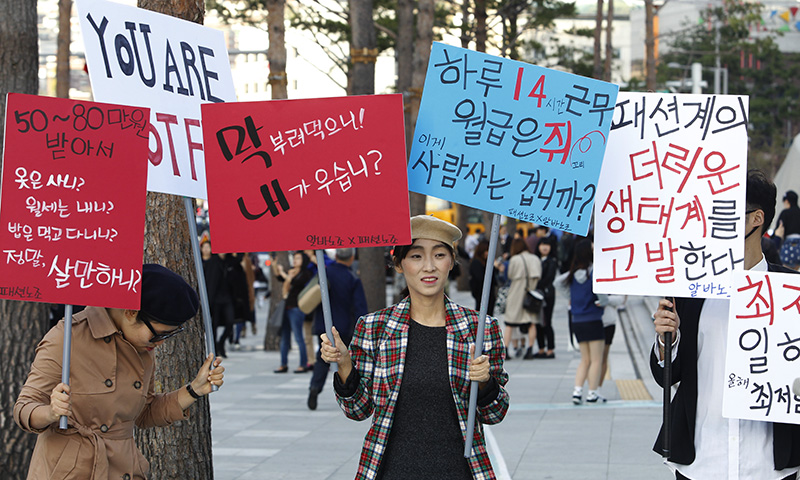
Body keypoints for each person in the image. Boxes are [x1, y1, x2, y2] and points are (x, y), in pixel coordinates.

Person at [320, 215, 509, 479]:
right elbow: (358, 410)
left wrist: (486, 382)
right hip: (391, 471)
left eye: (440, 254)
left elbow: (495, 413)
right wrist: (344, 365)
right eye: (416, 256)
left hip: (460, 471)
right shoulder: (374, 327)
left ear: (452, 261)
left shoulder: (480, 329)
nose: (429, 266)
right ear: (398, 263)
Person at [652, 170, 800, 479]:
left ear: (756, 218)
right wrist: (668, 338)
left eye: (726, 212)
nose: (714, 220)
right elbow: (668, 375)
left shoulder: (790, 290)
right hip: (702, 458)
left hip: (768, 462)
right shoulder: (690, 289)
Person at [14, 264, 225, 480]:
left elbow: (145, 413)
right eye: (157, 335)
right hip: (68, 471)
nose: (160, 344)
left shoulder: (142, 348)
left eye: (167, 336)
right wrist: (50, 412)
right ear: (131, 312)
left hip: (122, 469)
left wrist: (194, 390)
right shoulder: (66, 337)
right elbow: (23, 408)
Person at [307, 248, 368, 410]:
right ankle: (348, 392)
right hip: (344, 326)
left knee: (322, 358)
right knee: (345, 359)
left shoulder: (324, 273)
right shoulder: (352, 277)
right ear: (352, 258)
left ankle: (315, 387)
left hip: (323, 325)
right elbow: (360, 306)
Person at [561, 238, 605, 404]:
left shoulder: (572, 274)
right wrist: (603, 302)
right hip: (593, 319)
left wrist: (572, 298)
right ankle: (592, 393)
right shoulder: (594, 272)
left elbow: (557, 282)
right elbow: (604, 299)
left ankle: (577, 391)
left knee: (584, 359)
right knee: (596, 360)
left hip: (577, 320)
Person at [274, 251, 314, 373]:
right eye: (294, 258)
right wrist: (277, 267)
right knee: (285, 337)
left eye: (298, 258)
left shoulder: (305, 273)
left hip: (297, 308)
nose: (295, 261)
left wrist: (286, 275)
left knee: (298, 337)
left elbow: (296, 283)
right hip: (286, 307)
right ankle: (283, 364)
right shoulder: (291, 272)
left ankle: (303, 364)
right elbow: (280, 278)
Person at [504, 237, 542, 360]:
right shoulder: (535, 259)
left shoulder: (515, 259)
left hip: (516, 294)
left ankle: (506, 350)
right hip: (531, 295)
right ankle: (530, 350)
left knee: (510, 323)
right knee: (531, 323)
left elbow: (510, 275)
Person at [533, 236, 558, 359]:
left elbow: (549, 278)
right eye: (542, 244)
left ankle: (550, 349)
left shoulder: (552, 261)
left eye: (547, 245)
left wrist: (536, 284)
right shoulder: (535, 259)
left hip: (547, 295)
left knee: (547, 321)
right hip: (536, 295)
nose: (544, 247)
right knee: (537, 322)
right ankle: (541, 348)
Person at [469, 240, 502, 317]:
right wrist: (493, 266)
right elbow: (481, 278)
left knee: (489, 317)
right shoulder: (476, 262)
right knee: (481, 317)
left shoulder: (486, 261)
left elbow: (493, 278)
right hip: (481, 295)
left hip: (489, 294)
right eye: (486, 251)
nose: (488, 253)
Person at [776, 190, 800, 270]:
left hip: (788, 244)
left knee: (787, 270)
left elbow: (779, 228)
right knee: (796, 270)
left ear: (786, 201)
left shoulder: (785, 213)